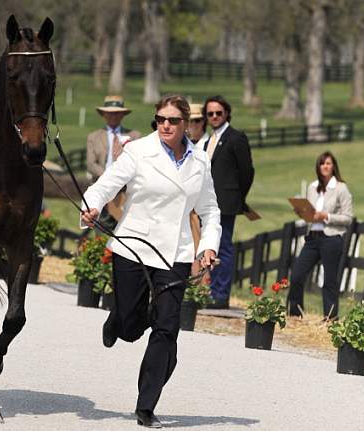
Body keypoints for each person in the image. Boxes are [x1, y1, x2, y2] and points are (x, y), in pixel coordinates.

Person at [81, 95, 221, 428]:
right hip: (133, 247)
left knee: (167, 328)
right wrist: (92, 206)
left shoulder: (200, 161)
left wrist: (209, 246)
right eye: (160, 119)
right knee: (131, 328)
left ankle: (146, 405)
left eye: (172, 120)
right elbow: (106, 184)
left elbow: (210, 210)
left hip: (176, 253)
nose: (166, 126)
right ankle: (119, 319)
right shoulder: (138, 151)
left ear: (186, 123)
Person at [202, 95, 254, 309]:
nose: (214, 116)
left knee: (223, 248)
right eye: (210, 113)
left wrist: (237, 197)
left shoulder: (236, 138)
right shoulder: (209, 140)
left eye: (218, 113)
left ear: (227, 114)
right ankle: (211, 291)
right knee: (210, 247)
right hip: (209, 202)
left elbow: (247, 172)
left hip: (226, 202)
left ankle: (220, 295)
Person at [287, 152, 353, 320]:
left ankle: (330, 318)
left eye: (328, 163)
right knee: (296, 276)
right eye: (322, 163)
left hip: (331, 238)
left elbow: (348, 218)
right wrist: (301, 211)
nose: (325, 166)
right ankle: (295, 314)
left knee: (329, 281)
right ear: (318, 166)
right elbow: (310, 216)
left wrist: (326, 216)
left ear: (333, 167)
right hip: (313, 238)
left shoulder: (340, 188)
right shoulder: (312, 187)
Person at [86, 95, 141, 230]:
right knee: (101, 231)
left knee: (125, 230)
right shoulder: (94, 137)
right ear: (104, 114)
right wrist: (111, 178)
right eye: (110, 113)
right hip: (102, 190)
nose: (113, 116)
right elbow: (91, 164)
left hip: (127, 192)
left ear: (123, 114)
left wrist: (122, 179)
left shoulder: (134, 136)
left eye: (117, 113)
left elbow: (139, 162)